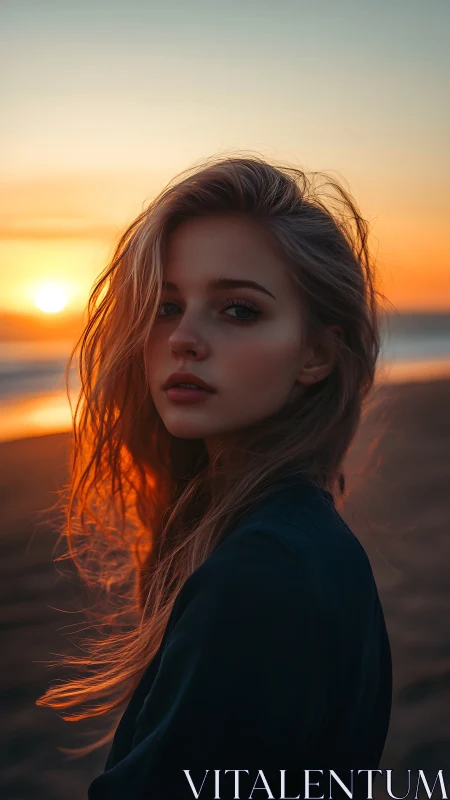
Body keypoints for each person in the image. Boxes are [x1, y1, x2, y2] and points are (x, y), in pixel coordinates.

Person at [37, 153, 392, 799]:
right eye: (165, 305)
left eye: (238, 311)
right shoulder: (298, 540)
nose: (183, 339)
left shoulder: (263, 570)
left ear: (315, 354)